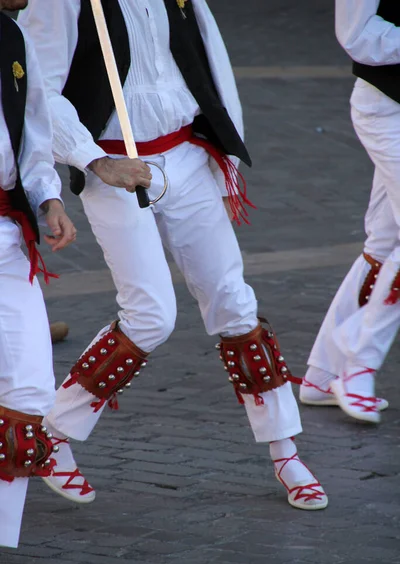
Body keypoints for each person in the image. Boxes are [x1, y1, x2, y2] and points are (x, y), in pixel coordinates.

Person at [19, 0, 328, 511]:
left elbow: (209, 59)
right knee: (151, 315)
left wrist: (228, 153)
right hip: (115, 164)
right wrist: (95, 159)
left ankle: (285, 449)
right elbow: (40, 90)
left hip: (186, 154)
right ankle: (54, 430)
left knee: (233, 299)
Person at [0, 2, 76, 564]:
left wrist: (47, 196)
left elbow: (33, 137)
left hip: (7, 232)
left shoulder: (12, 34)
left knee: (27, 388)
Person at [300, 0, 400, 424]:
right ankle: (358, 361)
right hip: (387, 108)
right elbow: (356, 35)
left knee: (385, 240)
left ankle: (323, 375)